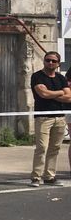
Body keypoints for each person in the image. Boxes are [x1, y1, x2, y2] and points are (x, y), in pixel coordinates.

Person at [29, 51, 68, 186]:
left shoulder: (61, 78)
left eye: (53, 61)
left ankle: (49, 176)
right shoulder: (37, 76)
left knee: (55, 148)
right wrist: (60, 92)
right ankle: (36, 177)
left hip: (60, 117)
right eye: (48, 60)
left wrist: (52, 94)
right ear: (44, 61)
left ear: (58, 64)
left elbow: (69, 96)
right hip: (43, 117)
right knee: (42, 147)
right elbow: (43, 94)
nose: (50, 63)